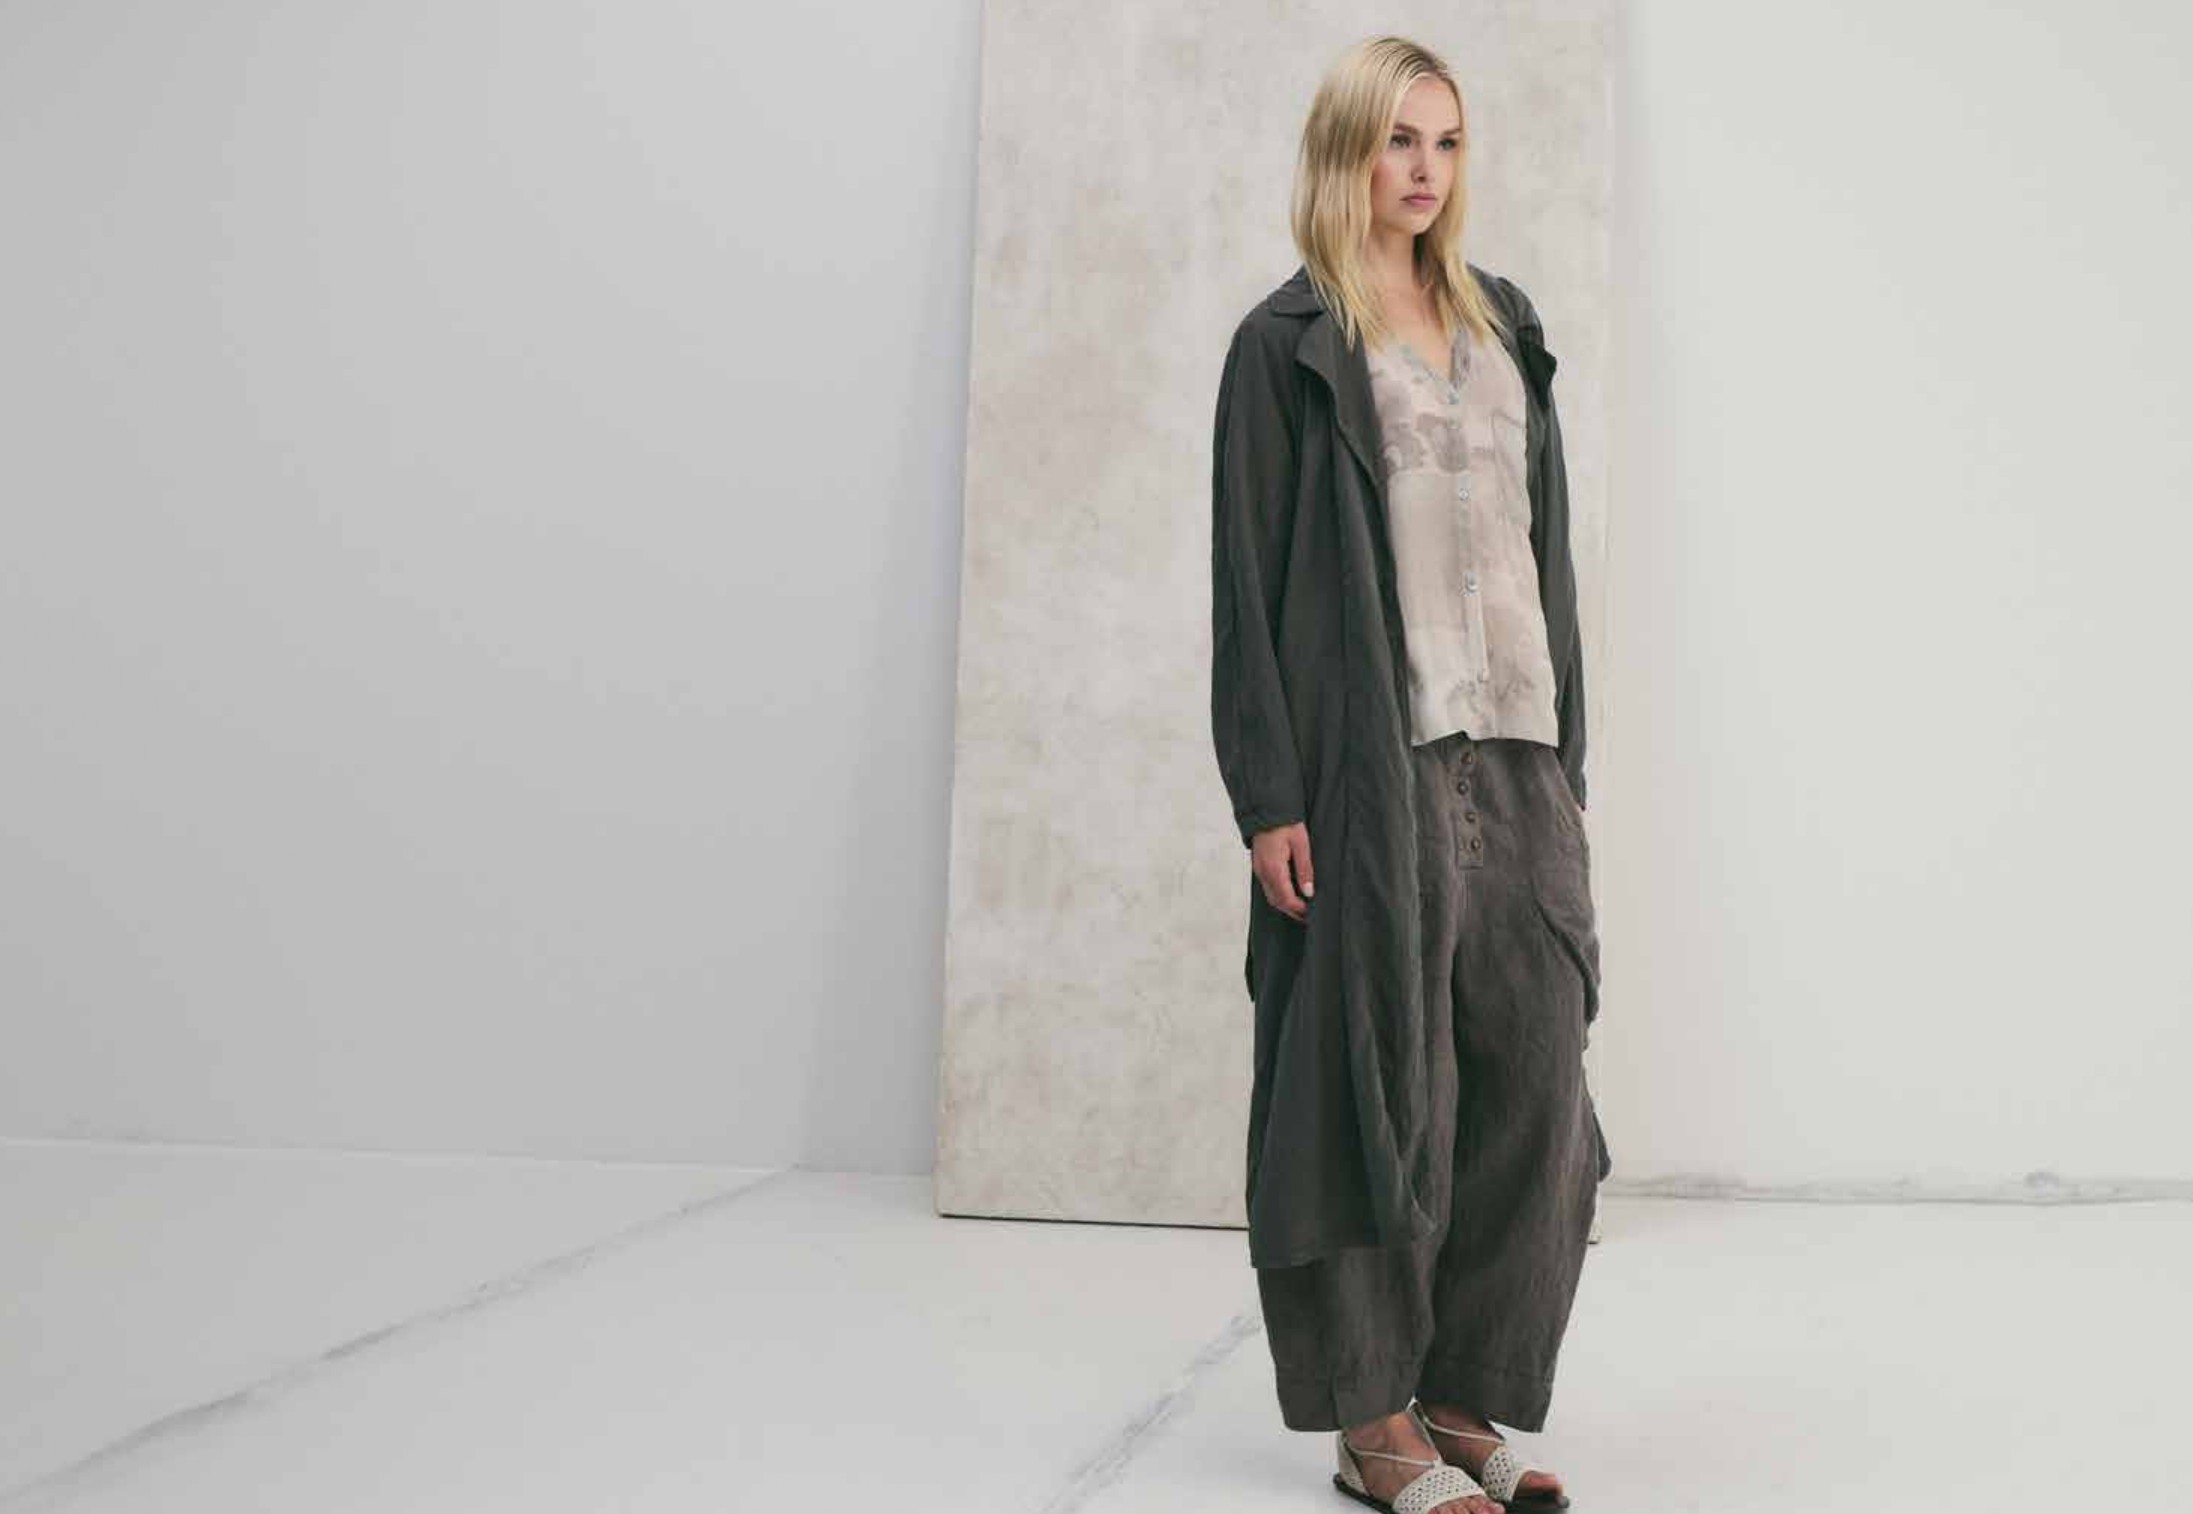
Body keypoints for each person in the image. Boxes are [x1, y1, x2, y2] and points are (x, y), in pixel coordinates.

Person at [1208, 34, 1609, 1514]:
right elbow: (1245, 583)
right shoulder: (1286, 343)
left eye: (1444, 141)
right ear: (1346, 150)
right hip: (1371, 766)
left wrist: (1568, 761)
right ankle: (1373, 1421)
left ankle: (1461, 1397)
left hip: (1518, 747)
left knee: (1534, 1079)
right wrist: (1268, 794)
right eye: (1396, 139)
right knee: (1383, 1087)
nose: (1423, 169)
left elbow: (1543, 543)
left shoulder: (1504, 320)